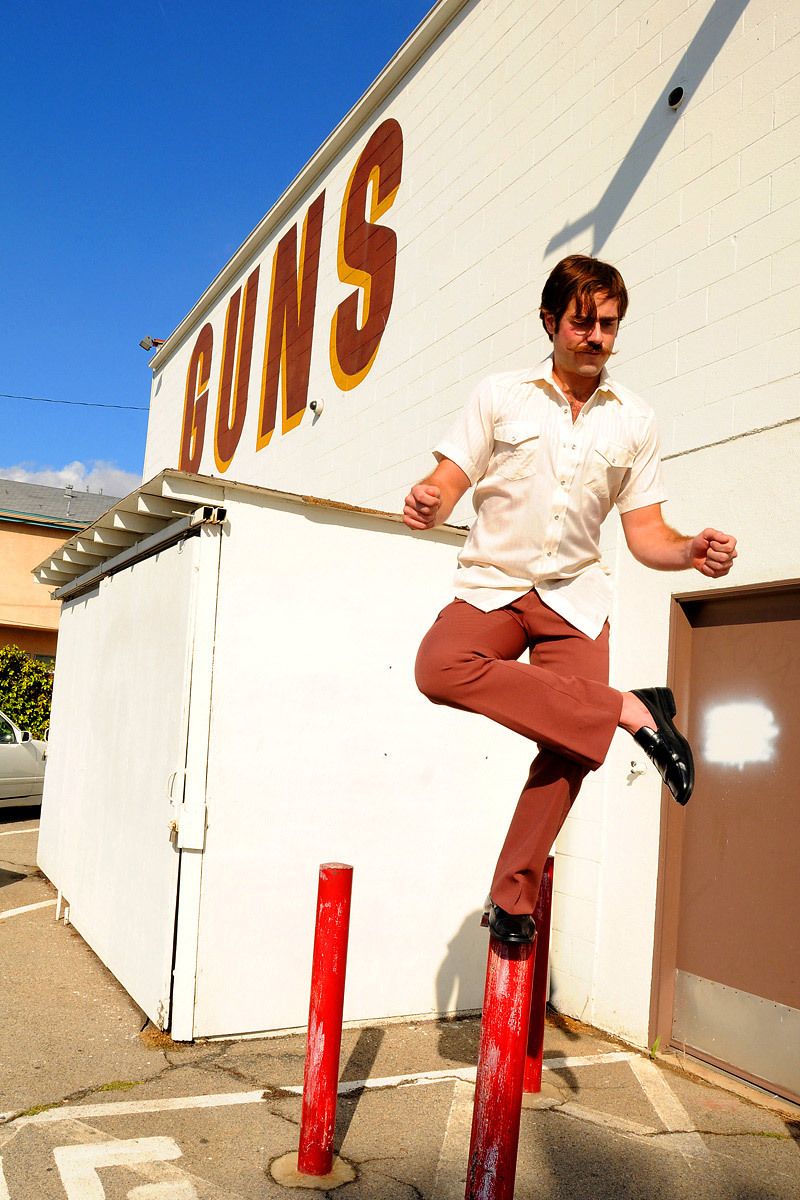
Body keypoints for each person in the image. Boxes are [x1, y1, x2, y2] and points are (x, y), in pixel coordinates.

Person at [403, 254, 737, 945]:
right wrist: (432, 501)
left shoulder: (635, 421)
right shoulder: (500, 396)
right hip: (494, 585)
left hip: (574, 599)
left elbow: (645, 533)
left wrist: (689, 551)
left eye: (609, 326)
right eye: (583, 323)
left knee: (570, 744)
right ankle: (631, 709)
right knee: (439, 667)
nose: (597, 338)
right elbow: (448, 479)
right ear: (550, 322)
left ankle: (512, 899)